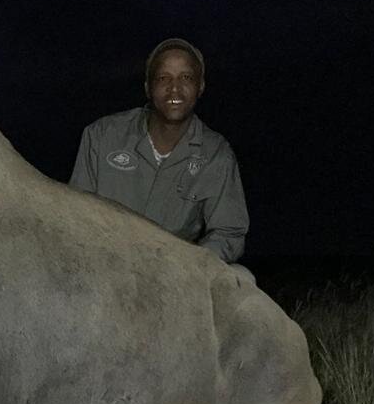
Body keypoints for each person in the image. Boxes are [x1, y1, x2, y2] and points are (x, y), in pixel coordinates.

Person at [69, 37, 248, 264]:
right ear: (148, 87)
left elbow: (228, 233)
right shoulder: (101, 135)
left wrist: (188, 264)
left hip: (173, 271)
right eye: (163, 78)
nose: (175, 88)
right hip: (105, 265)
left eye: (186, 77)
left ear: (200, 86)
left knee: (243, 277)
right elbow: (75, 215)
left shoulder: (217, 154)